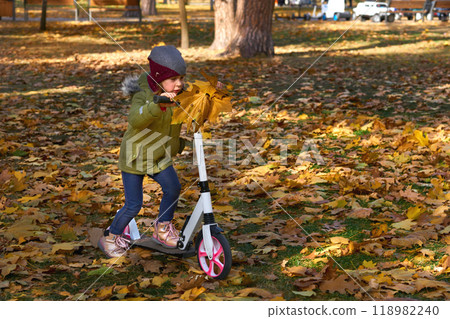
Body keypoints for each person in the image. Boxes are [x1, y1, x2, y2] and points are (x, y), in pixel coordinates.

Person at [98, 45, 188, 258]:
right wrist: (158, 105)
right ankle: (110, 237)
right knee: (133, 205)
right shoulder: (142, 95)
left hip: (159, 157)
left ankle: (162, 227)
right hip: (135, 157)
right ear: (158, 78)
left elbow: (177, 122)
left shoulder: (178, 94)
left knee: (173, 188)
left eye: (181, 78)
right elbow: (136, 120)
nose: (179, 84)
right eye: (173, 79)